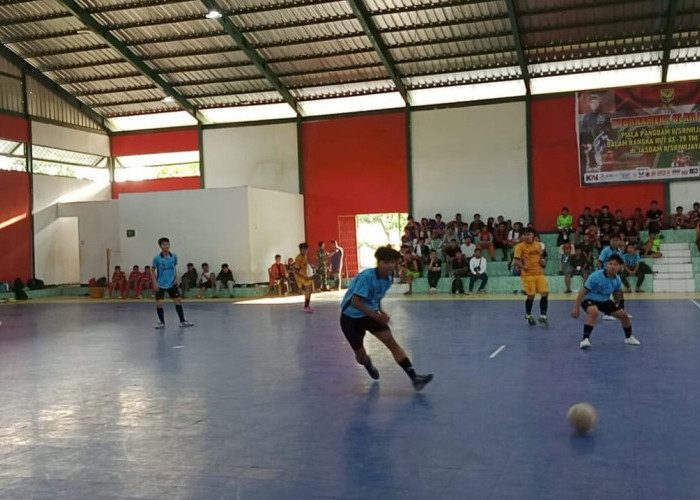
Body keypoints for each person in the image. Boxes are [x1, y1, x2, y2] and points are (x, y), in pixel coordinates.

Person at [339, 247, 433, 391]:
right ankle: (367, 363)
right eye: (386, 262)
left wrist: (381, 312)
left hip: (370, 314)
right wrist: (377, 315)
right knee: (360, 356)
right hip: (350, 318)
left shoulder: (388, 280)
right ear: (379, 263)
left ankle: (415, 378)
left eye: (393, 262)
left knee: (392, 343)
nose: (390, 266)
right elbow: (355, 302)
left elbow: (376, 298)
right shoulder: (367, 277)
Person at [571, 254, 641, 349]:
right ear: (606, 265)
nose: (612, 266)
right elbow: (582, 292)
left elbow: (617, 293)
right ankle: (585, 339)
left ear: (620, 267)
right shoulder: (595, 276)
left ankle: (628, 337)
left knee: (624, 316)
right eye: (610, 264)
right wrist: (576, 308)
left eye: (615, 264)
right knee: (594, 312)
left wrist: (616, 306)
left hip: (605, 300)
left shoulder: (617, 279)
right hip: (589, 299)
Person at [150, 237, 193, 329]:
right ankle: (161, 322)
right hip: (161, 283)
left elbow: (174, 267)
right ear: (160, 246)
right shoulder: (157, 258)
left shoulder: (174, 256)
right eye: (164, 245)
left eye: (167, 244)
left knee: (178, 301)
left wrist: (175, 278)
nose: (166, 246)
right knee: (159, 303)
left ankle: (182, 321)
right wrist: (154, 283)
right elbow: (152, 271)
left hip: (171, 284)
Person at [513, 228, 549, 326]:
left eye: (529, 234)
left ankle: (543, 316)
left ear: (533, 235)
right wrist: (523, 267)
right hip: (527, 275)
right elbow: (516, 261)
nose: (527, 237)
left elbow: (542, 259)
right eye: (525, 235)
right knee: (531, 296)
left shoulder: (538, 245)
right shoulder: (519, 247)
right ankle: (528, 315)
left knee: (545, 293)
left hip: (539, 273)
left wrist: (543, 262)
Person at [294, 242, 314, 312]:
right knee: (308, 290)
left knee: (309, 290)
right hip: (300, 277)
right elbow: (296, 271)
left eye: (306, 249)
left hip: (305, 275)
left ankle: (307, 306)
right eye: (304, 249)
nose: (305, 251)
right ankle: (306, 306)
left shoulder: (305, 256)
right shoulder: (298, 258)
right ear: (300, 250)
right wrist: (304, 277)